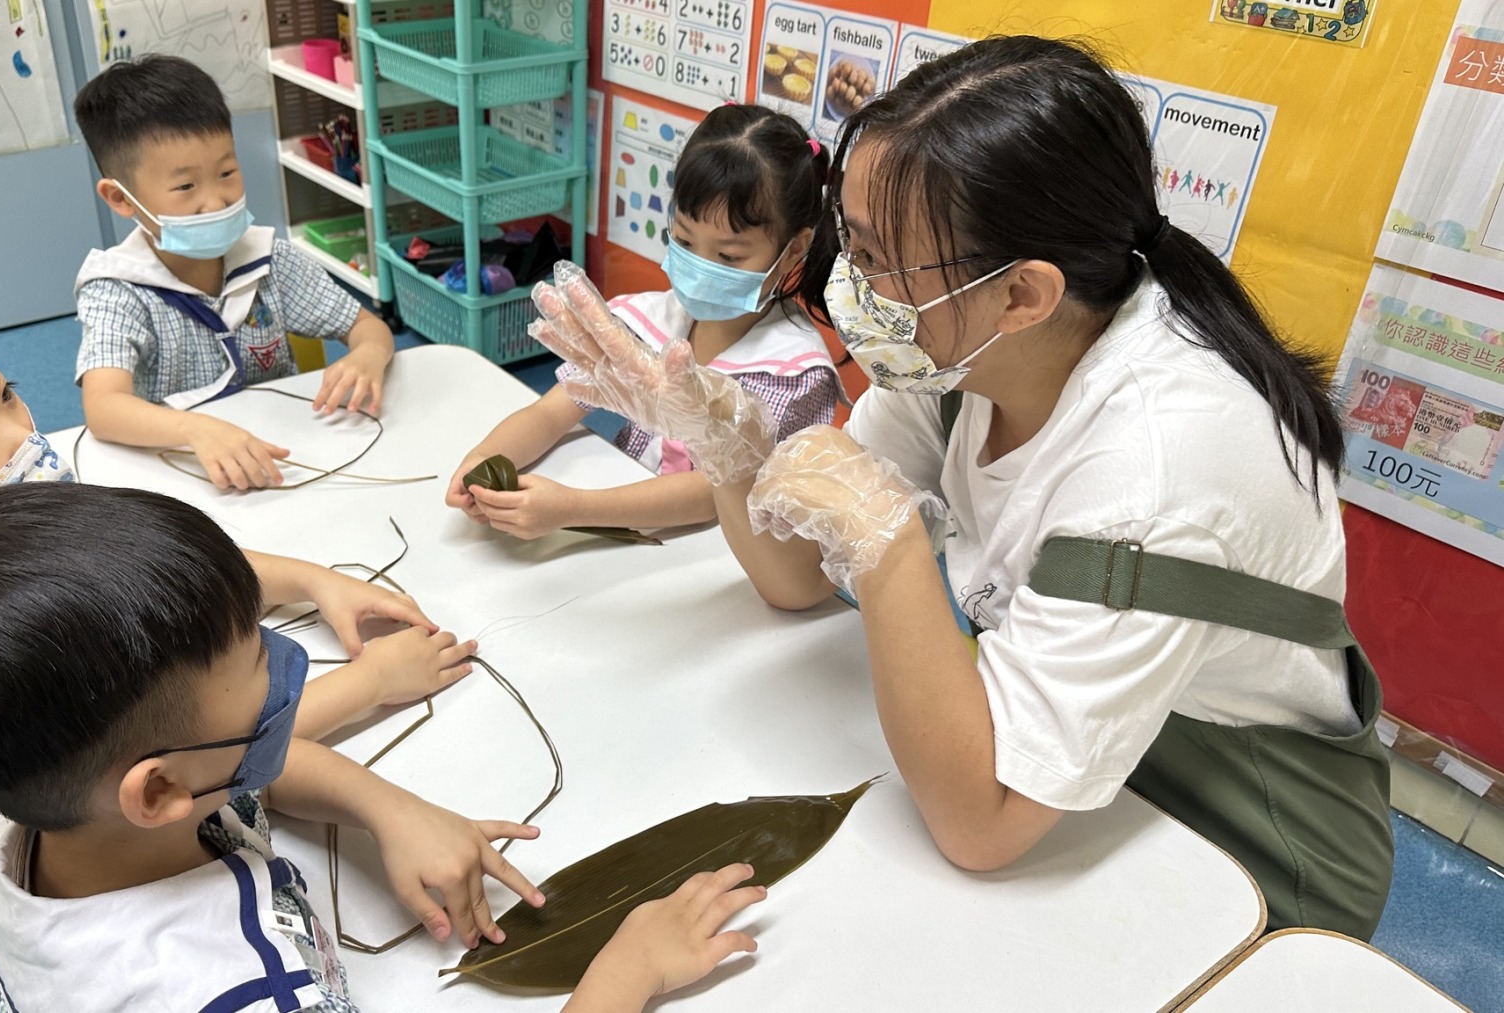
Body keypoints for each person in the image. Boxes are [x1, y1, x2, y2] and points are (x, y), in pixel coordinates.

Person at [526, 36, 1392, 938]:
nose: (848, 285)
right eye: (850, 242)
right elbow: (795, 578)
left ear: (1021, 294)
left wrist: (892, 547)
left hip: (1241, 843)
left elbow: (980, 823)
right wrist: (731, 446)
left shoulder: (1157, 467)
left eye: (875, 257)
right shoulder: (960, 351)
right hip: (1076, 770)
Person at [0, 279, 468, 1011]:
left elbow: (158, 621)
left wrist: (309, 580)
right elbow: (201, 744)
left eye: (6, 391)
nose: (27, 438)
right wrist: (370, 690)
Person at [0, 483, 769, 1012]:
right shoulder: (234, 990)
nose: (288, 668)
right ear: (158, 790)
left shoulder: (39, 820)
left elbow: (230, 772)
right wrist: (621, 975)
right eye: (259, 661)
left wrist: (387, 806)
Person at [447, 104, 838, 539]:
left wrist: (570, 509)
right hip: (627, 519)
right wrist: (482, 460)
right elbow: (551, 412)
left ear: (794, 247)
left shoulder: (794, 371)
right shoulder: (647, 323)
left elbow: (715, 494)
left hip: (719, 552)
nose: (701, 267)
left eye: (728, 256)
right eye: (684, 240)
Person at [73, 55, 398, 491]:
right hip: (184, 467)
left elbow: (367, 327)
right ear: (121, 199)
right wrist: (195, 430)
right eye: (186, 186)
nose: (217, 200)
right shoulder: (118, 289)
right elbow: (103, 408)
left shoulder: (269, 259)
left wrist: (368, 355)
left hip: (283, 454)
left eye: (227, 173)